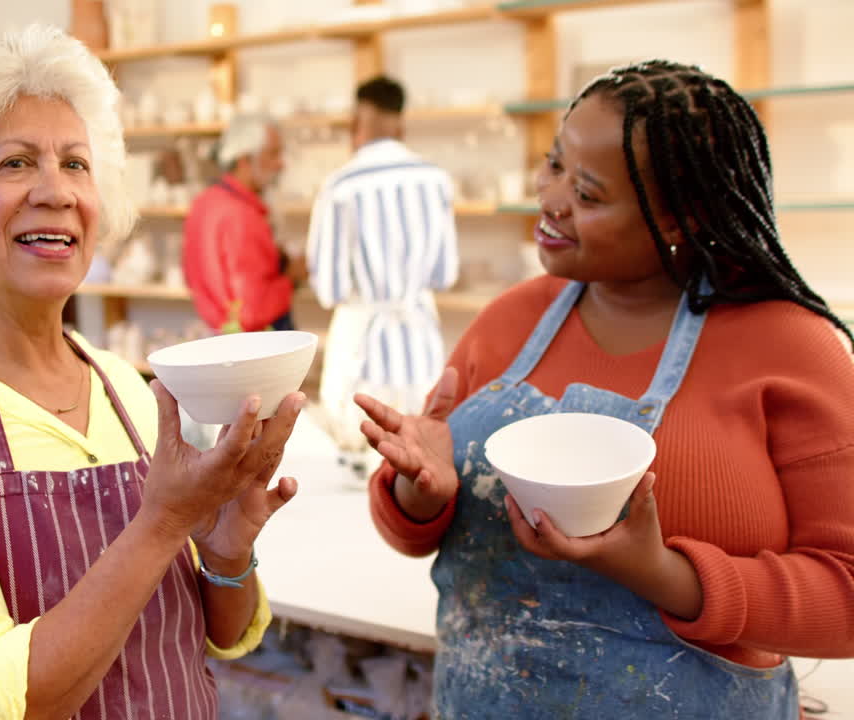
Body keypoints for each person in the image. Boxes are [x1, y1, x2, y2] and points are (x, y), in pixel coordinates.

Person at [358, 60, 854, 719]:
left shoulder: (789, 346)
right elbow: (426, 530)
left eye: (588, 194)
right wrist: (415, 496)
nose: (550, 197)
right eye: (553, 163)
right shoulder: (509, 322)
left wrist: (666, 576)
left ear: (680, 218)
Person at [0, 26, 305, 720]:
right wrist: (162, 523)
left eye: (76, 164)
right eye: (16, 163)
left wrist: (226, 550)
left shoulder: (127, 389)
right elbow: (2, 702)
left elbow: (224, 629)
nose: (55, 191)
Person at [306, 76, 459, 458]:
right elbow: (445, 274)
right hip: (420, 340)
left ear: (361, 114)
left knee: (360, 453)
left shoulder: (341, 185)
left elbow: (329, 288)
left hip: (363, 342)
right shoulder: (435, 179)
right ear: (400, 117)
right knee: (418, 454)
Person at [182, 114, 303, 333]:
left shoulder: (204, 202)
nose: (281, 164)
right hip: (251, 344)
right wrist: (293, 277)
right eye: (274, 154)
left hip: (218, 333)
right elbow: (251, 311)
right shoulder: (241, 216)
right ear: (245, 160)